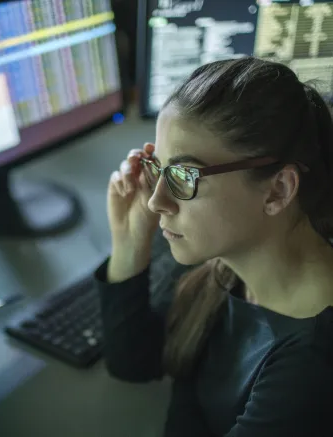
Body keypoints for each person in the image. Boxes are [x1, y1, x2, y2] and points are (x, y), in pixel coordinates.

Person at [96, 57, 333, 437]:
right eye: (158, 168)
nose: (157, 202)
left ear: (278, 190)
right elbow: (133, 361)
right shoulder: (223, 260)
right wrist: (130, 241)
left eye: (185, 175)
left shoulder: (309, 369)